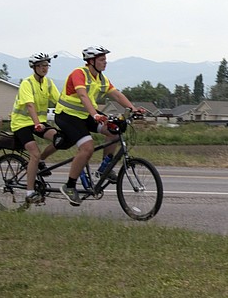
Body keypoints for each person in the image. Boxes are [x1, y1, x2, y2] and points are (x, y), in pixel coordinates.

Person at [53, 46, 142, 206]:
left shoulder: (101, 78)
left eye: (105, 60)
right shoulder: (79, 74)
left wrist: (133, 109)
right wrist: (95, 114)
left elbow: (116, 94)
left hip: (86, 115)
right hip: (67, 116)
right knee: (87, 147)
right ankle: (70, 186)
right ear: (91, 61)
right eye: (102, 60)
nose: (105, 63)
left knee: (114, 130)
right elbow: (82, 95)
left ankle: (104, 168)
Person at [10, 53, 61, 206]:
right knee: (34, 153)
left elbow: (60, 102)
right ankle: (30, 192)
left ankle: (41, 161)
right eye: (40, 65)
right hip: (21, 123)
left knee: (60, 139)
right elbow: (30, 105)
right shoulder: (27, 83)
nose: (44, 68)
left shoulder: (48, 83)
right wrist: (37, 123)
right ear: (34, 67)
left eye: (46, 65)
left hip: (39, 122)